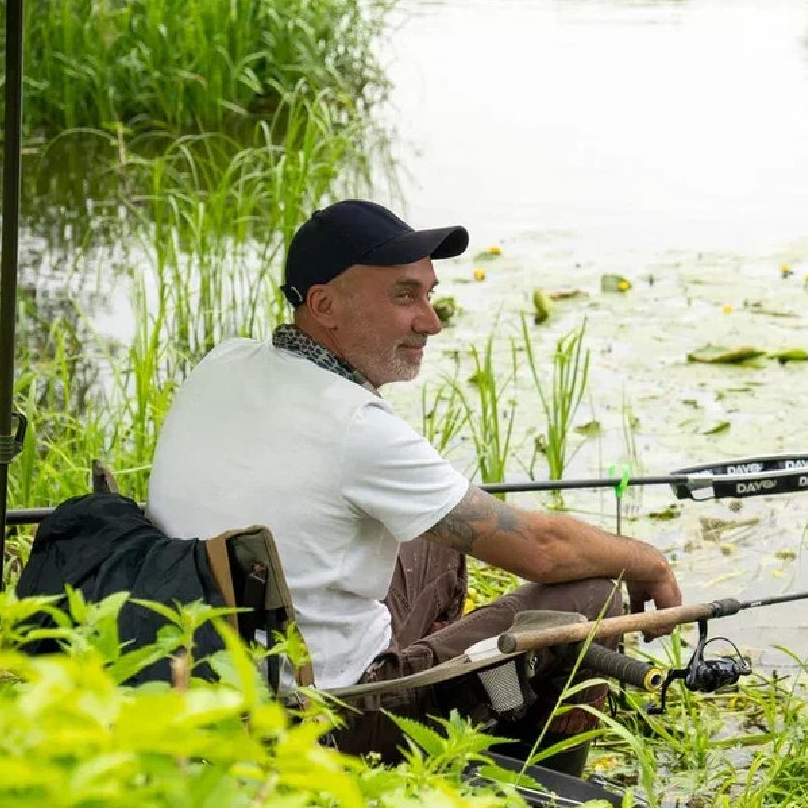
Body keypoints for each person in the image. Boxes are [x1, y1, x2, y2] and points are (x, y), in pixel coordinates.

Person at [146, 199, 681, 773]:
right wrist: (650, 562)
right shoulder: (355, 427)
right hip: (331, 715)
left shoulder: (224, 362)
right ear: (325, 305)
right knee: (590, 597)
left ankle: (461, 686)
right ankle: (537, 797)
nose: (431, 320)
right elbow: (545, 551)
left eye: (427, 294)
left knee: (437, 530)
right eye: (405, 296)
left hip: (206, 666)